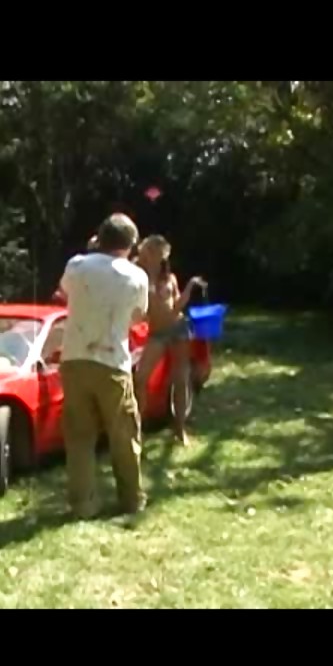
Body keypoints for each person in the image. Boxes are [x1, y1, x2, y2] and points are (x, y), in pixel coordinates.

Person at [58, 214, 149, 519]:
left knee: (80, 435)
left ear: (99, 238)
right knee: (123, 433)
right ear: (130, 244)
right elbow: (138, 317)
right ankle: (131, 499)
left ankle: (83, 504)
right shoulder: (136, 277)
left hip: (73, 357)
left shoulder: (77, 265)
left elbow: (66, 291)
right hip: (112, 360)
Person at [134, 235, 207, 446]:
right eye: (150, 251)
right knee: (140, 378)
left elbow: (176, 307)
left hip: (178, 329)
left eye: (158, 253)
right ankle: (136, 428)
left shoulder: (169, 278)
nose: (153, 256)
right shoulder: (137, 277)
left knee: (181, 379)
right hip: (157, 333)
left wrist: (190, 286)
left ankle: (180, 428)